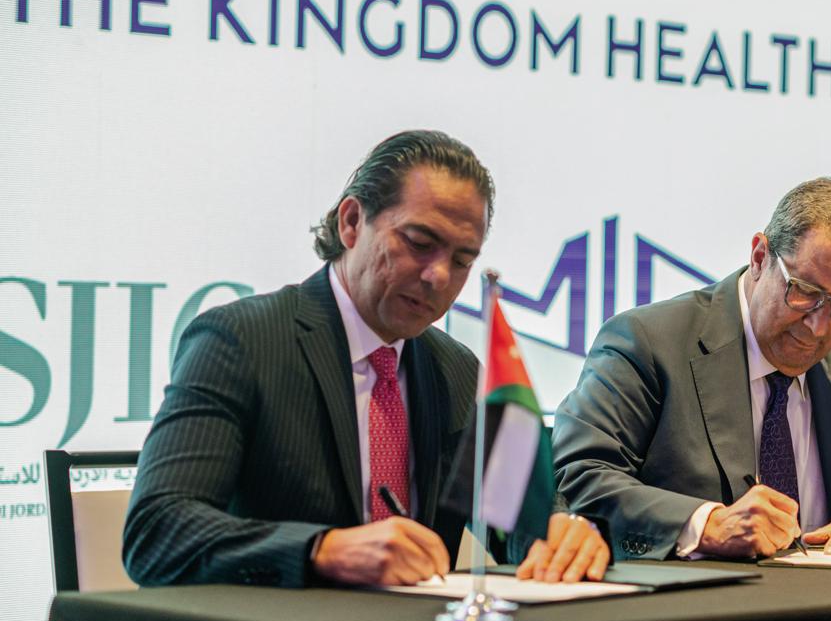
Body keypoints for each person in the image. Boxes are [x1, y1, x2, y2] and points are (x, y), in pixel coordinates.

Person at [123, 130, 609, 588]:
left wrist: (562, 532)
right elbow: (156, 531)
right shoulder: (242, 341)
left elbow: (520, 519)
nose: (439, 276)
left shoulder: (458, 372)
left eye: (462, 260)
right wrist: (321, 550)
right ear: (352, 222)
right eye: (419, 243)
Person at [553, 177, 831, 561]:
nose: (818, 326)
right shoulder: (648, 343)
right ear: (759, 257)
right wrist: (705, 525)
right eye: (805, 292)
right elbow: (578, 477)